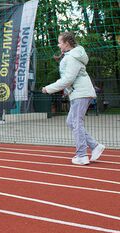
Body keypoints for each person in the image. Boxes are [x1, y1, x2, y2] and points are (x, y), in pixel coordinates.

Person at [42, 31, 105, 165]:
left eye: (60, 42)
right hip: (79, 93)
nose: (58, 45)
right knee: (71, 122)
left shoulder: (72, 57)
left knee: (76, 123)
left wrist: (48, 88)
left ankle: (81, 155)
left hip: (81, 93)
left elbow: (68, 79)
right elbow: (70, 79)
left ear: (66, 43)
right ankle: (94, 146)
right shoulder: (72, 56)